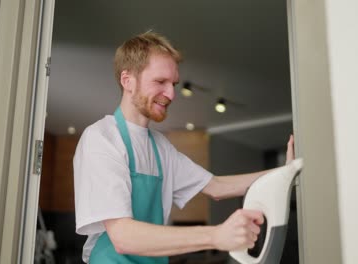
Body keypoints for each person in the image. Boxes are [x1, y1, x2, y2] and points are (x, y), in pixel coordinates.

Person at [73, 31, 295, 263]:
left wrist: (285, 172)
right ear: (127, 80)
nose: (170, 94)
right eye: (160, 82)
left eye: (173, 84)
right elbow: (123, 237)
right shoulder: (101, 139)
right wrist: (215, 235)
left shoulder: (160, 148)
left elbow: (217, 187)